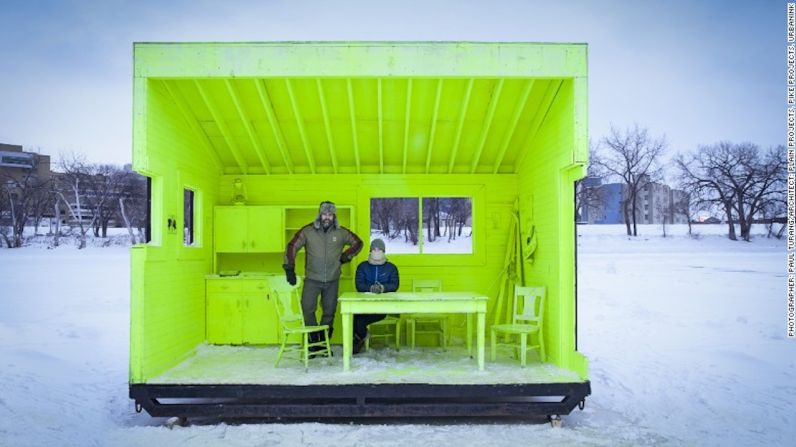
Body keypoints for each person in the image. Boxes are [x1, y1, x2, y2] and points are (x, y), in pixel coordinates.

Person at [283, 201, 363, 353]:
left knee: (329, 312)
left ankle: (323, 344)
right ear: (320, 215)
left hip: (332, 280)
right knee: (307, 309)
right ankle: (313, 344)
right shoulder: (308, 231)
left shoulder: (341, 232)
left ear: (334, 216)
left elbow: (358, 243)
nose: (327, 217)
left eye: (330, 214)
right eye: (324, 214)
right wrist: (289, 268)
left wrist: (346, 256)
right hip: (312, 279)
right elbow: (292, 246)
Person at [353, 238, 400, 354]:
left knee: (360, 322)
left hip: (383, 307)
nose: (376, 251)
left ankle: (359, 339)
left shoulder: (391, 268)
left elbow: (395, 284)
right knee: (354, 318)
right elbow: (359, 284)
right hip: (364, 305)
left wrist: (383, 288)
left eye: (379, 249)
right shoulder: (362, 266)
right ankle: (360, 338)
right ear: (370, 251)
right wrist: (370, 288)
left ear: (384, 251)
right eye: (374, 249)